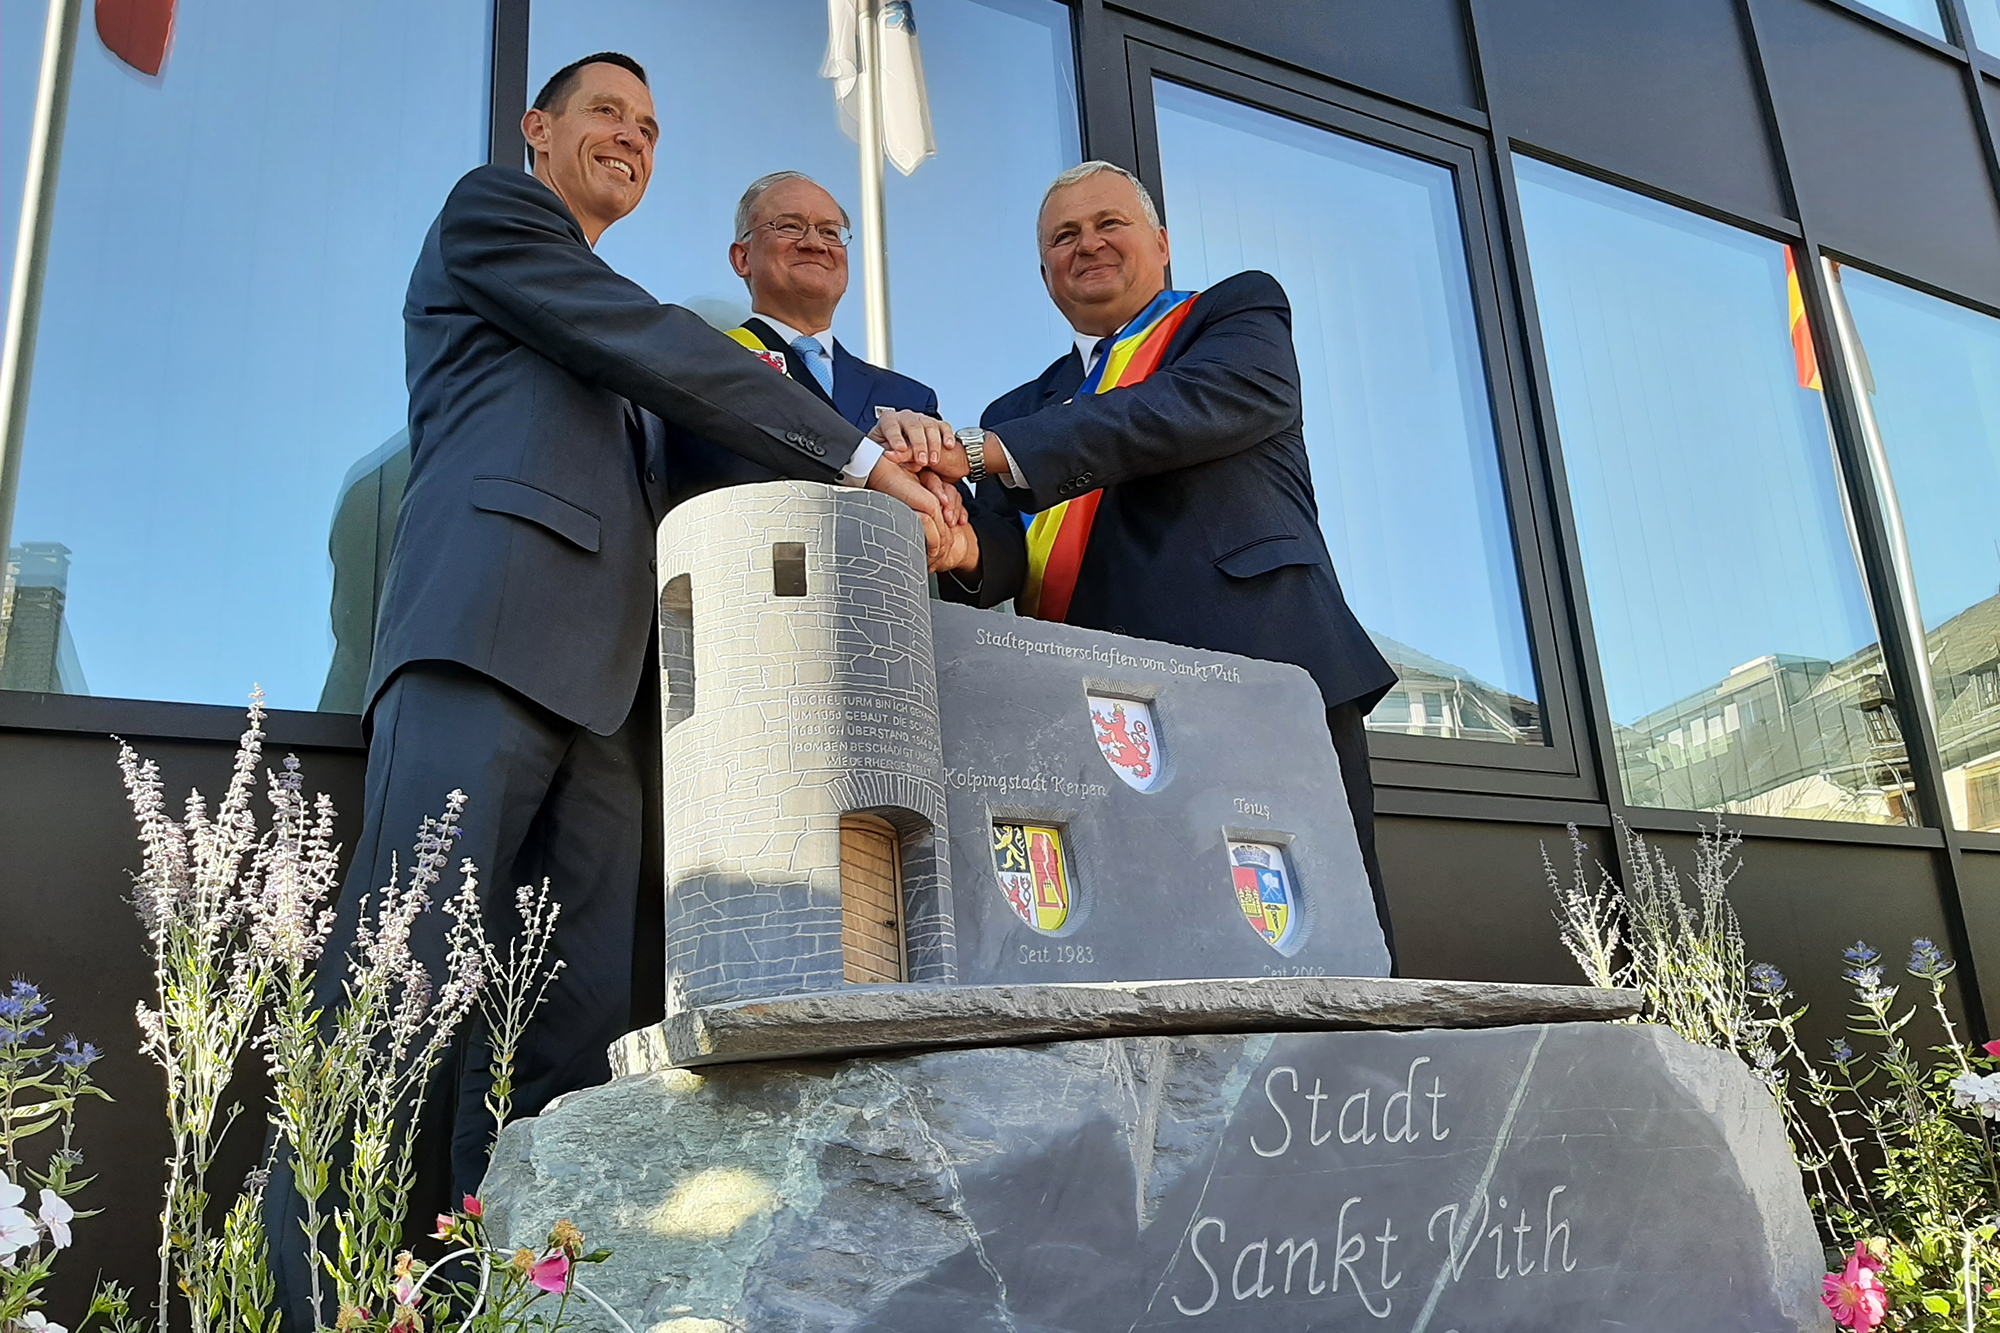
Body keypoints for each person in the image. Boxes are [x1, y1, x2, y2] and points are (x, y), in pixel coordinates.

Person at [266, 51, 952, 1324]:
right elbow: (656, 349)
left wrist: (916, 481)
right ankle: (313, 1299)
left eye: (648, 127)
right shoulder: (496, 219)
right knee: (392, 986)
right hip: (484, 649)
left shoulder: (625, 319)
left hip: (610, 715)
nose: (630, 138)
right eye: (604, 115)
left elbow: (694, 428)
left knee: (560, 1034)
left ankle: (517, 1300)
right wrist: (856, 452)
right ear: (538, 130)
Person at [910, 159, 1400, 960]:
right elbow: (1000, 558)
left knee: (1325, 946)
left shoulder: (1234, 314)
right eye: (1064, 237)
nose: (1089, 244)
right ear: (1045, 274)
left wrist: (986, 449)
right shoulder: (1020, 410)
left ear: (1162, 245)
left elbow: (1181, 410)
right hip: (1104, 721)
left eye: (1110, 224)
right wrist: (960, 546)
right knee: (1153, 950)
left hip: (1261, 672)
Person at [654, 170, 943, 507]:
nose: (815, 243)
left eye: (830, 232)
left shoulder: (910, 398)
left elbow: (972, 527)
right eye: (789, 226)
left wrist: (955, 528)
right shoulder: (696, 361)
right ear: (742, 257)